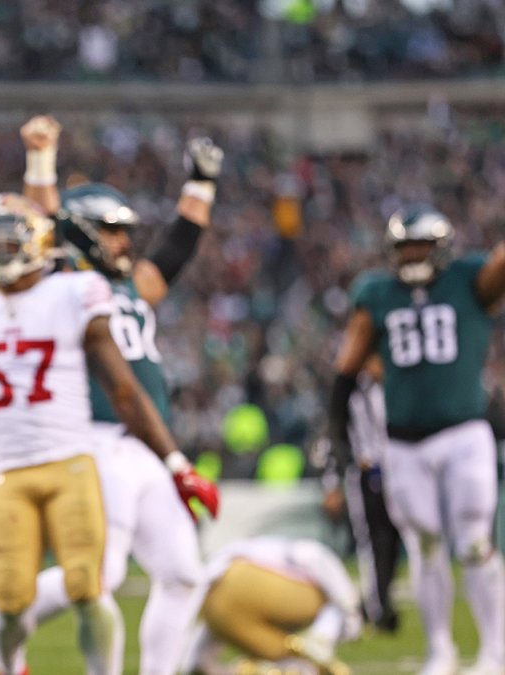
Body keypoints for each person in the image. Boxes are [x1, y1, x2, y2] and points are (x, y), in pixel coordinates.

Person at [0, 116, 223, 675]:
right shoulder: (60, 279)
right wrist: (41, 160)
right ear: (85, 231)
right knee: (103, 575)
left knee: (183, 574)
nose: (126, 241)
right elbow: (42, 216)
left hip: (144, 443)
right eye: (115, 230)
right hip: (93, 438)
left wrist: (201, 183)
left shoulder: (126, 285)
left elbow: (179, 246)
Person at [331, 203, 505, 675]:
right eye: (404, 246)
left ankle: (495, 652)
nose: (411, 254)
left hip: (464, 433)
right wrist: (338, 442)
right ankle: (440, 652)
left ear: (442, 247)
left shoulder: (469, 280)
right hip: (403, 443)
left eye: (420, 245)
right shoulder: (377, 294)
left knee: (472, 542)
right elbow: (344, 373)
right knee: (424, 545)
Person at [177, 536, 362, 675]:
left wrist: (193, 660)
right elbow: (313, 556)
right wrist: (349, 613)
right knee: (331, 602)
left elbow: (194, 663)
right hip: (249, 576)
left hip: (212, 599)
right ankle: (319, 640)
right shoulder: (302, 552)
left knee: (287, 659)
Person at [320, 355, 403, 634]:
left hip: (396, 473)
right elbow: (333, 437)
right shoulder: (351, 393)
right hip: (364, 474)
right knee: (371, 541)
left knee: (393, 541)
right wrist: (332, 482)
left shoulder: (393, 388)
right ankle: (376, 606)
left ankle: (380, 599)